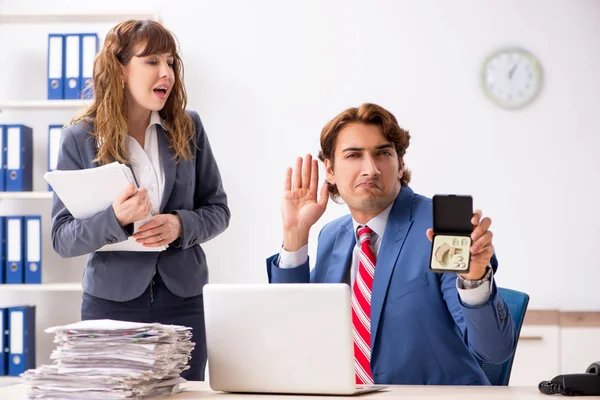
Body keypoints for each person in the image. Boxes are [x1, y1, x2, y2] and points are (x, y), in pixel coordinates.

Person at [266, 103, 516, 385]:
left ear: (400, 165)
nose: (370, 169)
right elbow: (294, 333)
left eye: (383, 153)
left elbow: (494, 351)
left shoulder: (440, 229)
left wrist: (475, 280)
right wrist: (295, 235)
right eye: (354, 155)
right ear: (330, 170)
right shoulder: (331, 236)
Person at [51, 19, 230, 381]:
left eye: (171, 62)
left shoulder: (188, 127)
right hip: (109, 304)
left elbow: (218, 210)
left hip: (184, 302)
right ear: (120, 69)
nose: (166, 73)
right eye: (152, 61)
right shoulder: (79, 139)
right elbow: (62, 238)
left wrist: (181, 224)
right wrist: (114, 219)